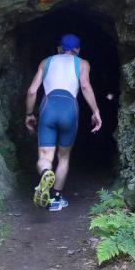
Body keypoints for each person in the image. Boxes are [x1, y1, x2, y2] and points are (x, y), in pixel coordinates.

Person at [25, 34, 102, 211]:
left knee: (45, 157)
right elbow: (85, 86)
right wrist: (96, 111)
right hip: (69, 111)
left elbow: (32, 91)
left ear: (59, 48)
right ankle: (56, 199)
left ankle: (46, 173)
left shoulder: (46, 62)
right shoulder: (83, 63)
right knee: (64, 157)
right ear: (78, 50)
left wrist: (29, 114)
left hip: (48, 110)